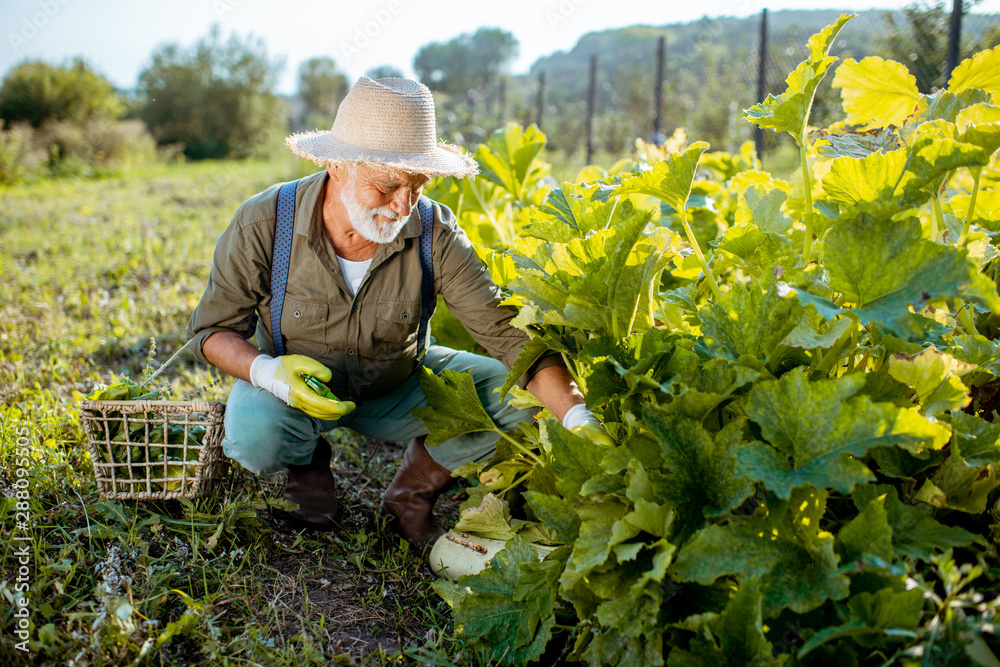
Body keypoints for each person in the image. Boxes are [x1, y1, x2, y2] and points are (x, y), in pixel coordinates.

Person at [186, 76, 610, 550]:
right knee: (253, 433)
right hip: (294, 386)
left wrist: (578, 420)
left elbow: (508, 335)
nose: (404, 204)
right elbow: (211, 332)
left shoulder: (435, 231)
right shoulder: (266, 222)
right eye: (388, 184)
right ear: (337, 165)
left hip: (399, 382)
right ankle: (307, 468)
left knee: (517, 401)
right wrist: (268, 373)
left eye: (417, 184)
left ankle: (410, 495)